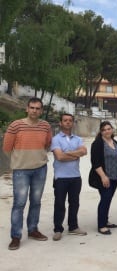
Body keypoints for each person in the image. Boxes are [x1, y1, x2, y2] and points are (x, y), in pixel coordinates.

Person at [3, 97, 52, 250]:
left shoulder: (46, 126)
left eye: (38, 108)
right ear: (27, 108)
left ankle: (33, 230)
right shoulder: (16, 126)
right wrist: (18, 162)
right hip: (21, 171)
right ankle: (16, 236)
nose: (34, 111)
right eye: (32, 107)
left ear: (41, 111)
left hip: (40, 169)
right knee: (19, 203)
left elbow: (47, 144)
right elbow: (6, 148)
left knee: (36, 202)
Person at [51, 114, 88, 241]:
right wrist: (75, 155)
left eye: (70, 121)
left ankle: (73, 226)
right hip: (61, 177)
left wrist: (67, 153)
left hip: (75, 177)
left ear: (73, 123)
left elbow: (84, 151)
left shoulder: (77, 139)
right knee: (59, 204)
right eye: (65, 120)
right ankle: (57, 229)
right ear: (60, 123)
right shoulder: (56, 139)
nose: (68, 122)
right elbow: (59, 157)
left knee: (74, 203)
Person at [89, 121, 117, 235]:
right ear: (101, 132)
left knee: (108, 199)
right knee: (105, 199)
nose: (107, 131)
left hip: (115, 176)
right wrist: (103, 176)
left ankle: (105, 220)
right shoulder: (98, 143)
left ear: (112, 130)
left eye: (109, 129)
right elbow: (95, 162)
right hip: (104, 177)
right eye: (104, 130)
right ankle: (101, 225)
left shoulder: (115, 142)